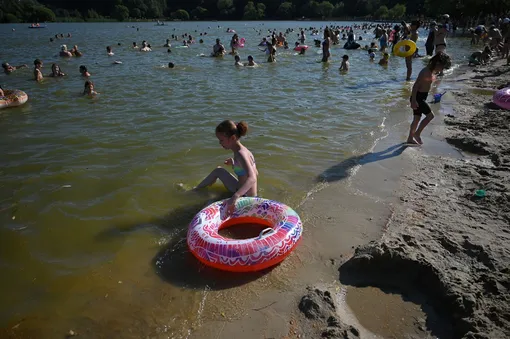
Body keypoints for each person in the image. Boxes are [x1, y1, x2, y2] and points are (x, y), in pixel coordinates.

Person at [194, 120, 258, 216]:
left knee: (207, 205)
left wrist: (235, 196)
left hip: (245, 198)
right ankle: (196, 190)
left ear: (232, 138)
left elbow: (253, 178)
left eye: (221, 140)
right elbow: (255, 171)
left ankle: (196, 192)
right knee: (219, 170)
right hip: (243, 191)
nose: (220, 143)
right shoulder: (243, 151)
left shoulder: (241, 154)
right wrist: (234, 163)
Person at [407, 52, 451, 145]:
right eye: (442, 67)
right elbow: (415, 86)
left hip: (421, 97)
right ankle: (417, 134)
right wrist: (413, 101)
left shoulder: (431, 71)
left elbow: (427, 84)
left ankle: (410, 138)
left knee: (416, 119)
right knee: (430, 116)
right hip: (418, 98)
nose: (442, 69)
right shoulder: (425, 72)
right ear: (437, 64)